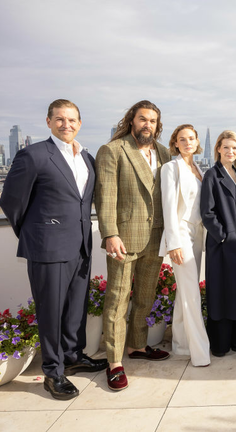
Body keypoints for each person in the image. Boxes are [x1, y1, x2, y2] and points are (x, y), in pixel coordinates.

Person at [0, 99, 108, 400]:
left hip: (81, 245)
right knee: (51, 310)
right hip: (47, 248)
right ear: (48, 122)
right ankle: (53, 371)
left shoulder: (86, 157)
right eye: (59, 119)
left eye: (72, 120)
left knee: (76, 307)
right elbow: (11, 202)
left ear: (80, 123)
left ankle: (73, 356)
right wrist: (36, 234)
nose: (66, 125)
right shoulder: (33, 156)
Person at [95, 100, 172, 391]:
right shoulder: (113, 150)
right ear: (131, 121)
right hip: (125, 238)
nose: (147, 125)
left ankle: (137, 346)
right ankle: (114, 363)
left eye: (152, 121)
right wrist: (110, 233)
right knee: (117, 301)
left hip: (157, 236)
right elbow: (105, 197)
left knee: (145, 296)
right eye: (142, 119)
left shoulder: (164, 153)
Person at [160, 124, 210, 367]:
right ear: (175, 143)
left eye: (191, 138)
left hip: (198, 234)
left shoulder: (198, 168)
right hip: (181, 232)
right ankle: (201, 352)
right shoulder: (170, 168)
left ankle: (180, 345)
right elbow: (168, 207)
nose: (187, 142)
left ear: (197, 141)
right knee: (191, 294)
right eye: (182, 139)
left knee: (184, 292)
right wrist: (173, 243)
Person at [200, 130, 236, 357]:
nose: (230, 151)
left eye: (235, 148)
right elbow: (207, 213)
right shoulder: (212, 175)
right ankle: (220, 343)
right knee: (220, 293)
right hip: (221, 245)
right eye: (226, 147)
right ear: (218, 148)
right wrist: (223, 236)